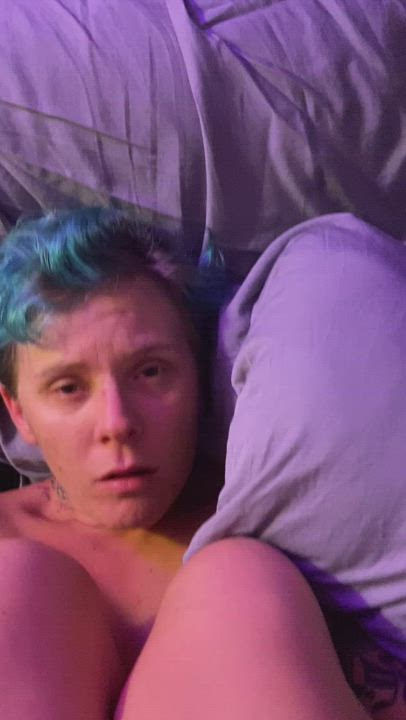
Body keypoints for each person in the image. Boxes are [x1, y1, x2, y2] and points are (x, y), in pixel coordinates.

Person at [0, 207, 368, 719]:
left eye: (150, 372)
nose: (117, 422)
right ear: (18, 411)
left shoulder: (284, 521)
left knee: (238, 577)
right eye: (68, 388)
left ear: (199, 376)